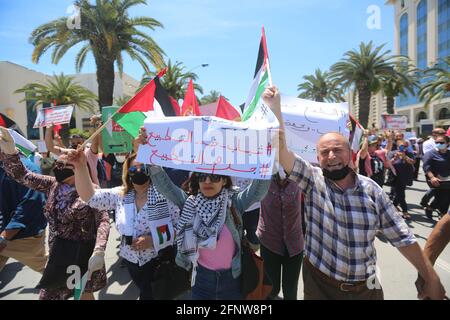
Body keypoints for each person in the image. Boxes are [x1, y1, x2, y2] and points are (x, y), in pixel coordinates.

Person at [263, 85, 446, 300]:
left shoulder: (372, 191)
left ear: (351, 154)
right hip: (319, 286)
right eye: (324, 152)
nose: (331, 156)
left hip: (365, 289)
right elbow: (282, 149)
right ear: (318, 158)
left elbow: (403, 239)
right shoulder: (312, 180)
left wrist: (431, 279)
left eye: (337, 150)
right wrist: (275, 107)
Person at [134, 127, 271, 300]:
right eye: (202, 176)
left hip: (233, 280)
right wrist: (148, 152)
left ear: (224, 181)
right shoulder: (189, 203)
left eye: (214, 177)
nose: (207, 181)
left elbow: (258, 190)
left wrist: (268, 153)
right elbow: (165, 186)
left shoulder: (234, 203)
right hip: (201, 281)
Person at [0, 127, 109, 300]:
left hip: (83, 254)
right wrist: (11, 152)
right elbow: (22, 176)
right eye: (57, 161)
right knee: (53, 295)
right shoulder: (51, 185)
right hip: (58, 253)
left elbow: (103, 220)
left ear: (75, 168)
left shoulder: (92, 191)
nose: (57, 164)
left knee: (83, 293)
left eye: (62, 162)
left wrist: (99, 250)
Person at [67, 150, 179, 300]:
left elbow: (181, 228)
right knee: (149, 291)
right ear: (128, 172)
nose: (138, 172)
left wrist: (153, 240)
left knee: (151, 295)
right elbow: (90, 197)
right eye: (134, 169)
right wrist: (80, 167)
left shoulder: (165, 196)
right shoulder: (121, 195)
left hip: (158, 260)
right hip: (131, 260)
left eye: (143, 168)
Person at [257, 171, 304, 300]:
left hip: (294, 245)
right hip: (269, 243)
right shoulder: (262, 179)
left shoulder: (299, 179)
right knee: (271, 289)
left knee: (290, 290)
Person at [0, 157, 47, 274]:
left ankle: (82, 287)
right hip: (6, 232)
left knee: (53, 274)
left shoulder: (28, 168)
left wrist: (4, 237)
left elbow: (32, 202)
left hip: (23, 237)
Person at [422, 135, 450, 219]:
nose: (438, 144)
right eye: (436, 142)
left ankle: (442, 215)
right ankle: (431, 208)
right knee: (441, 198)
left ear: (448, 143)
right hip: (435, 179)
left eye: (441, 142)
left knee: (447, 197)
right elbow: (426, 167)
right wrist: (432, 177)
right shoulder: (430, 153)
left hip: (447, 179)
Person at [388, 140, 416, 220]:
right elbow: (388, 164)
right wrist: (395, 158)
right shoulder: (392, 153)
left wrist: (405, 157)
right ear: (397, 146)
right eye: (401, 146)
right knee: (401, 194)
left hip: (405, 177)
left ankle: (393, 206)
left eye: (404, 146)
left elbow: (413, 162)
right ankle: (405, 211)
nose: (402, 148)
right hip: (395, 177)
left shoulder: (409, 153)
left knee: (399, 193)